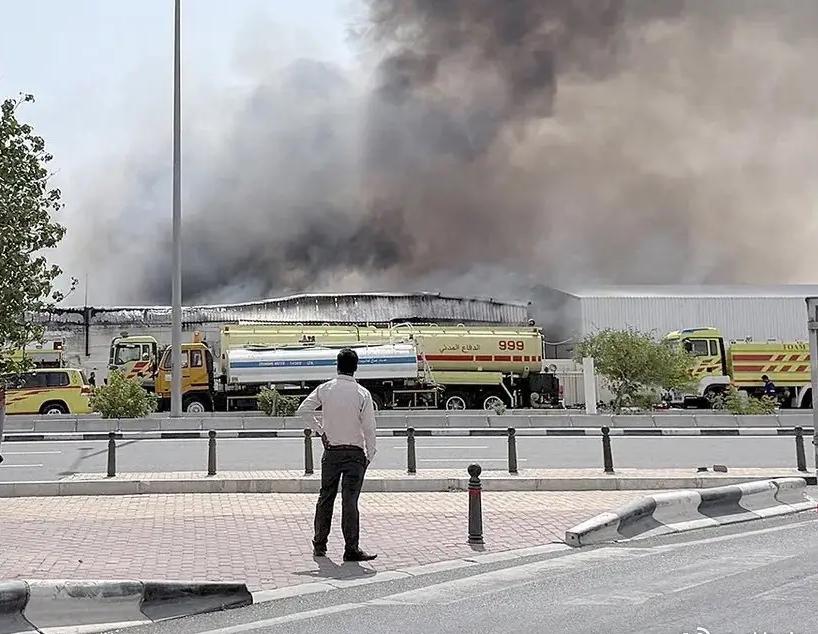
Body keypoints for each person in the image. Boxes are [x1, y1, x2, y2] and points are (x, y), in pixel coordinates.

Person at [296, 348, 378, 562]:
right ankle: (351, 548)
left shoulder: (325, 389)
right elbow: (369, 427)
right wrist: (370, 454)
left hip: (331, 451)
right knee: (350, 502)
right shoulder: (362, 393)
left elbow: (303, 410)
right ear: (356, 367)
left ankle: (319, 546)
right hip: (354, 454)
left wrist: (321, 431)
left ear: (337, 366)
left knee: (326, 498)